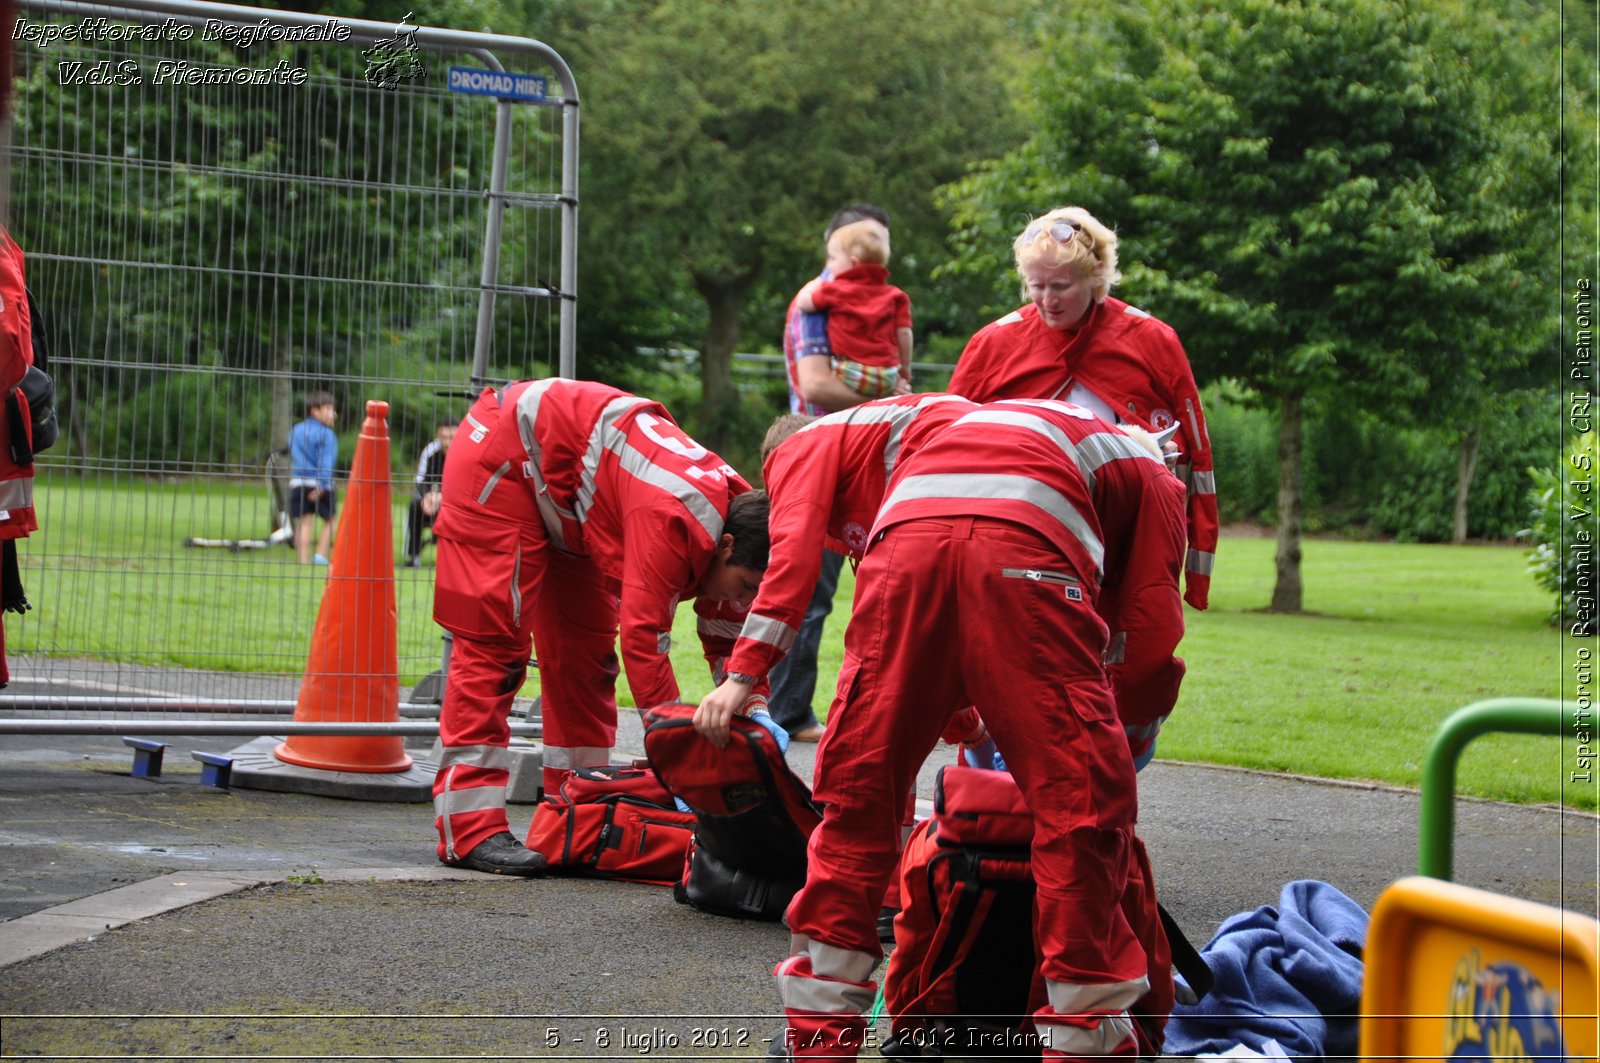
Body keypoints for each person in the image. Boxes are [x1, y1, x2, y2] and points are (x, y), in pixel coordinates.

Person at [726, 398, 1187, 1061]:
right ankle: (1083, 1046)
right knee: (1079, 815)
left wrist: (964, 691)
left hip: (903, 543)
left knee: (858, 801)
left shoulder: (981, 425)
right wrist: (1125, 741)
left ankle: (816, 1041)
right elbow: (1146, 629)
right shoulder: (1151, 472)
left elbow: (950, 552)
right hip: (1028, 548)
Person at [430, 377, 772, 876]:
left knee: (587, 660)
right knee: (494, 650)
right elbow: (645, 643)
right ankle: (468, 829)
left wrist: (754, 703)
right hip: (505, 458)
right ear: (724, 548)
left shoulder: (744, 523)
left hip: (565, 493)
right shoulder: (674, 520)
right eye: (742, 586)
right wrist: (679, 758)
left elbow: (729, 635)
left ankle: (578, 808)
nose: (738, 600)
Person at [948, 205, 1218, 613]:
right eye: (1035, 286)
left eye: (1060, 286)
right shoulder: (995, 345)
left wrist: (1195, 574)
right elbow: (946, 449)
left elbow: (1196, 456)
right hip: (1022, 532)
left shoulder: (1151, 341)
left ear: (1097, 277)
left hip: (1125, 536)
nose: (1046, 301)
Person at [693, 392, 974, 738]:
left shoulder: (799, 451)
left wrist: (740, 679)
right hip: (1008, 467)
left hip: (970, 456)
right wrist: (968, 728)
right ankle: (978, 746)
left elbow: (792, 568)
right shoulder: (867, 482)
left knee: (870, 705)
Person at [771, 203, 893, 743]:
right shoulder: (814, 301)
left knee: (884, 588)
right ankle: (787, 713)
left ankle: (877, 712)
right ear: (833, 248)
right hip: (821, 453)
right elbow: (816, 386)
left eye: (879, 245)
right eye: (861, 245)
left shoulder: (878, 300)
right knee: (809, 589)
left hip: (870, 455)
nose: (871, 256)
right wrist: (891, 393)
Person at [794, 219, 913, 401]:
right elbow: (904, 334)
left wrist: (814, 283)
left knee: (835, 365)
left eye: (832, 259)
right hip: (888, 376)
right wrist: (904, 368)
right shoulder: (896, 296)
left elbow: (802, 302)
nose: (829, 265)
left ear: (853, 263)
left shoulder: (834, 290)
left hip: (853, 373)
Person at [287, 391, 338, 566]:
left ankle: (302, 560)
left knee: (305, 521)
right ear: (315, 410)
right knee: (330, 520)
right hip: (320, 483)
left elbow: (294, 454)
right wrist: (322, 485)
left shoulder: (296, 430)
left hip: (298, 481)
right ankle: (320, 556)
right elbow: (326, 462)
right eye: (329, 409)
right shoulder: (327, 435)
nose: (334, 414)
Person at [402, 420, 455, 568]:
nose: (446, 442)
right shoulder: (430, 451)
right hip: (432, 501)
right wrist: (427, 497)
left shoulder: (465, 450)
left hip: (455, 503)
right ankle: (413, 556)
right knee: (414, 507)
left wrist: (444, 497)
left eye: (451, 437)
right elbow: (420, 479)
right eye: (443, 437)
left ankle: (452, 558)